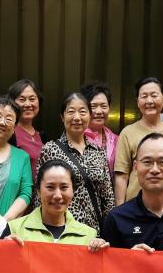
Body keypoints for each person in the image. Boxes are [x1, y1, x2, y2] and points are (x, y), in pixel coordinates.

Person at [37, 92, 114, 232]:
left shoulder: (98, 151)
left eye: (82, 112)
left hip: (94, 232)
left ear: (89, 116)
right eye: (71, 112)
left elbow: (107, 197)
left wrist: (109, 231)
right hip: (61, 231)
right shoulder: (50, 149)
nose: (77, 117)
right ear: (62, 117)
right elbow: (40, 196)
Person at [114, 76, 163, 203]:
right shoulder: (127, 133)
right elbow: (121, 175)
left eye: (154, 95)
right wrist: (119, 208)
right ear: (137, 101)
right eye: (144, 96)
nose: (149, 101)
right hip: (135, 204)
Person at [7, 160, 103, 246]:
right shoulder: (14, 229)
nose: (57, 196)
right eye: (50, 187)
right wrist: (5, 247)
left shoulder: (89, 236)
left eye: (64, 187)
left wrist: (100, 251)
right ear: (38, 191)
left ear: (73, 191)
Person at [8, 78, 45, 181]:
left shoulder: (41, 135)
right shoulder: (10, 133)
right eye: (22, 99)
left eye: (32, 99)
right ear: (12, 103)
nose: (28, 104)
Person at [81, 82, 119, 172]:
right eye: (93, 106)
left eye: (103, 106)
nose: (99, 111)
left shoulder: (116, 140)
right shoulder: (76, 137)